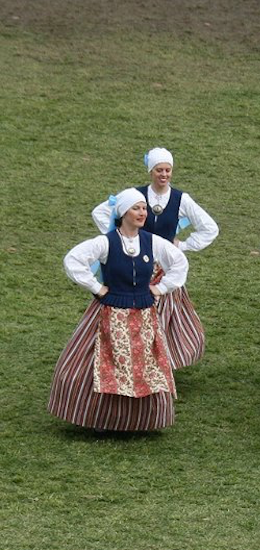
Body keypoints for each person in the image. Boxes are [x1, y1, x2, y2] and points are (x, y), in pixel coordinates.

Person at [49, 188, 189, 431]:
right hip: (109, 313)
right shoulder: (106, 242)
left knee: (144, 368)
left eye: (144, 208)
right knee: (104, 366)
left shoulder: (152, 242)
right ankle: (102, 419)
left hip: (143, 317)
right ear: (123, 212)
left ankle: (140, 421)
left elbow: (179, 262)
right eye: (136, 208)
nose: (142, 213)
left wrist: (160, 288)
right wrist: (97, 287)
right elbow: (73, 260)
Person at [92, 147, 218, 369]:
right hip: (134, 262)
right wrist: (119, 236)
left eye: (168, 170)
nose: (164, 174)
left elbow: (209, 228)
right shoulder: (136, 195)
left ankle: (157, 363)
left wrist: (183, 245)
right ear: (151, 171)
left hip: (164, 269)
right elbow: (100, 212)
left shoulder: (181, 199)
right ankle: (129, 360)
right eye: (159, 169)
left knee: (163, 318)